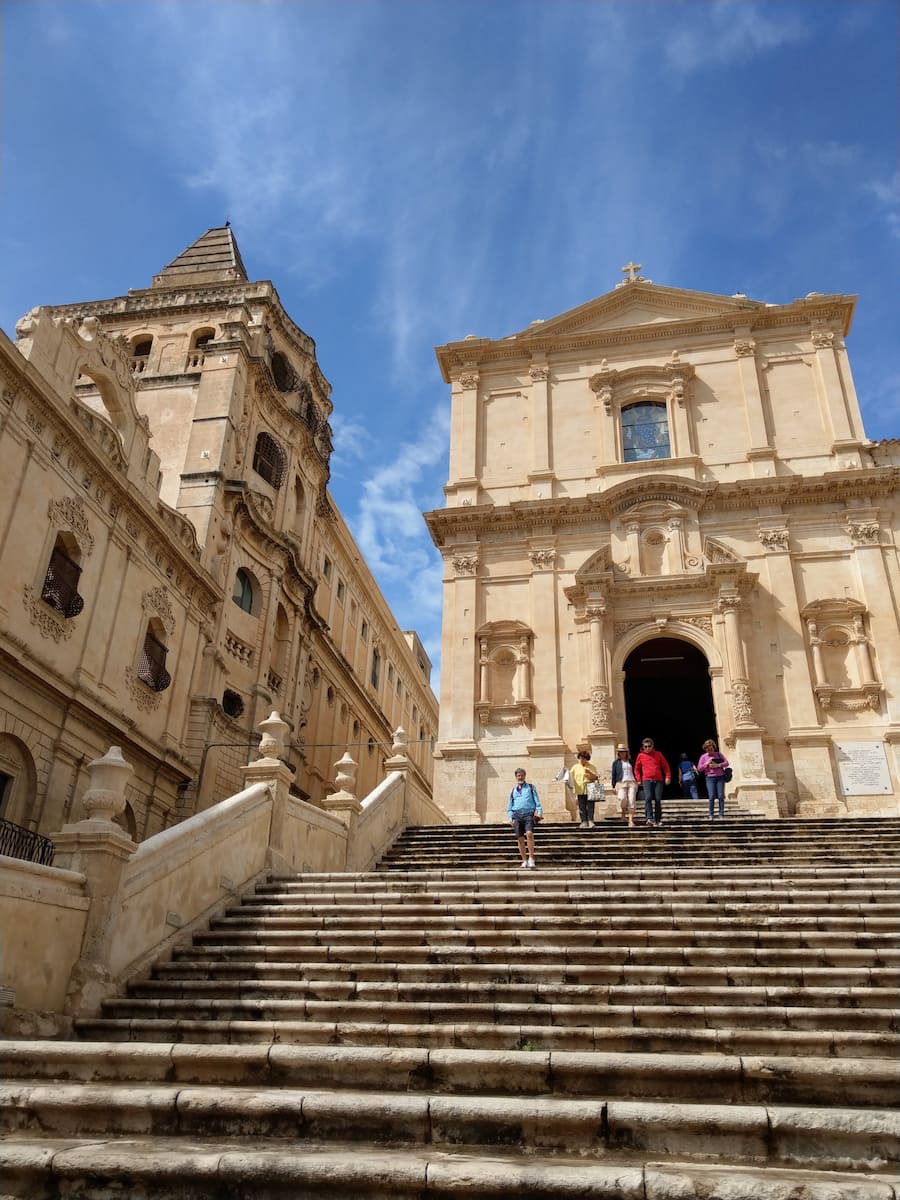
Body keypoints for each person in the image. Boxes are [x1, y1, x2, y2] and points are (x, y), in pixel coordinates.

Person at [507, 766, 542, 867]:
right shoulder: (513, 790)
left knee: (529, 833)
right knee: (520, 838)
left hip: (528, 814)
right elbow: (509, 805)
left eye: (522, 775)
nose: (520, 777)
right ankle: (524, 860)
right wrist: (510, 818)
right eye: (518, 776)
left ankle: (531, 858)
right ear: (516, 777)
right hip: (516, 815)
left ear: (525, 776)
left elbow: (537, 802)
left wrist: (539, 812)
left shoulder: (531, 787)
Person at [634, 737, 671, 827]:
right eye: (645, 747)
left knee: (658, 799)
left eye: (649, 746)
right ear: (643, 747)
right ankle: (649, 818)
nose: (647, 748)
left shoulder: (658, 754)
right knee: (648, 798)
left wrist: (668, 777)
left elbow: (665, 766)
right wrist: (638, 779)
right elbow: (636, 769)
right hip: (646, 780)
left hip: (658, 780)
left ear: (652, 746)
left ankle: (658, 819)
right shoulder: (640, 756)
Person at [697, 739, 730, 819]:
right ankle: (711, 814)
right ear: (705, 749)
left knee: (721, 796)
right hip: (710, 778)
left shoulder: (719, 754)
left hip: (720, 777)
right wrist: (707, 764)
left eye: (711, 748)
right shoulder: (703, 757)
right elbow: (699, 768)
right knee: (711, 796)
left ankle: (721, 814)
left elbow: (727, 763)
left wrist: (718, 765)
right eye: (707, 749)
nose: (710, 750)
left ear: (714, 747)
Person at [570, 749, 601, 829]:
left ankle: (590, 820)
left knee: (590, 806)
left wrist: (590, 773)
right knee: (581, 806)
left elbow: (596, 777)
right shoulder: (575, 767)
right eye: (581, 758)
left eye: (584, 758)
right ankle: (583, 821)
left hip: (590, 788)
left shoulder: (591, 767)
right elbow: (570, 776)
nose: (582, 760)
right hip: (579, 789)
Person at [611, 744, 637, 828]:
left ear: (626, 752)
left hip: (632, 782)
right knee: (622, 799)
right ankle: (623, 814)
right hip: (621, 783)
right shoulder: (616, 763)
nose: (622, 753)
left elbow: (636, 771)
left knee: (631, 799)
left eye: (623, 752)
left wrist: (638, 780)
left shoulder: (631, 762)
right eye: (620, 752)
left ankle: (630, 820)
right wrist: (613, 786)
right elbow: (613, 775)